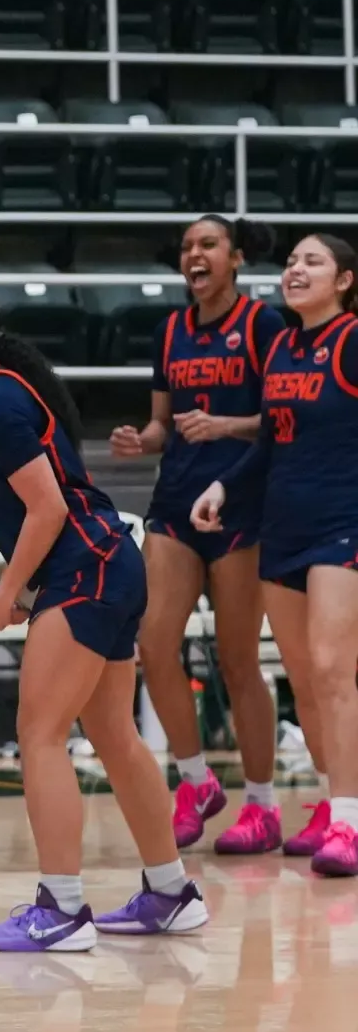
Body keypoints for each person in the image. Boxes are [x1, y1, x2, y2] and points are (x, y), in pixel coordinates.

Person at [0, 276, 203, 950]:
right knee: (115, 736)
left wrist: (8, 593)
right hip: (105, 563)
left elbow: (48, 508)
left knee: (39, 733)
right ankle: (171, 891)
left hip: (87, 568)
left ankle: (61, 909)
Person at [110, 215, 287, 856]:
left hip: (241, 502)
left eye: (208, 244)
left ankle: (262, 806)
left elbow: (282, 416)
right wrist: (142, 439)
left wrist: (224, 426)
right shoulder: (171, 331)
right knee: (153, 645)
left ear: (235, 258)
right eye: (187, 246)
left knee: (238, 661)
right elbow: (164, 423)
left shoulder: (262, 324)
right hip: (176, 502)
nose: (195, 254)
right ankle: (196, 782)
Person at [192, 234, 358, 875]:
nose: (296, 270)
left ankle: (349, 821)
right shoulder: (284, 346)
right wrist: (224, 485)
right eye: (291, 262)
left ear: (344, 281)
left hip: (343, 525)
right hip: (282, 526)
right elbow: (270, 442)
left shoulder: (351, 340)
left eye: (312, 262)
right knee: (305, 681)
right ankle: (332, 801)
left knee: (332, 670)